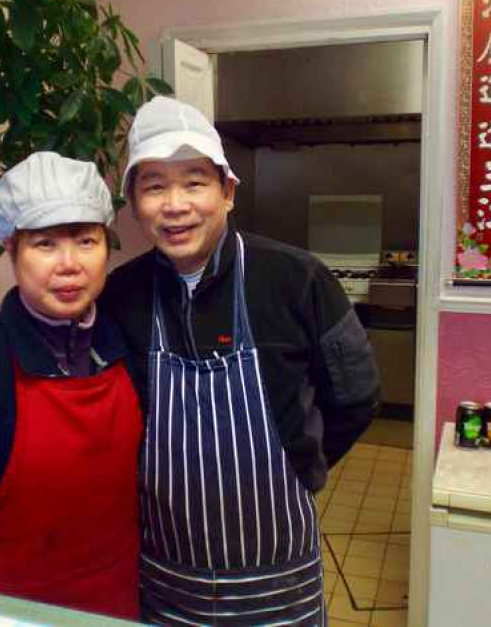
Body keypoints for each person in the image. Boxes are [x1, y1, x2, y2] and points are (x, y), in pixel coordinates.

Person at [101, 96, 381, 624]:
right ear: (134, 203)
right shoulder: (120, 294)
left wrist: (302, 462)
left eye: (194, 182)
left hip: (279, 580)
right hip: (167, 578)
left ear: (227, 192)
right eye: (154, 185)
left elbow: (357, 396)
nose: (175, 204)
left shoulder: (298, 280)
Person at [0, 152, 142, 620]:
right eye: (45, 244)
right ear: (11, 250)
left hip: (118, 608)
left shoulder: (126, 347)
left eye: (86, 240)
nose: (70, 264)